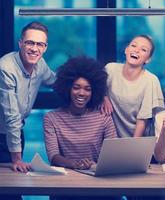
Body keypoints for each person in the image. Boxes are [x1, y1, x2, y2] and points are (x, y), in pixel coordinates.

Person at [0, 21, 55, 176]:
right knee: (3, 188)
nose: (34, 48)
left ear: (45, 47)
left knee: (16, 182)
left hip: (17, 132)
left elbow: (56, 81)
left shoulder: (40, 64)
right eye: (30, 43)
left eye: (40, 44)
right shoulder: (5, 69)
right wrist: (17, 159)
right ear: (20, 44)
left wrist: (93, 93)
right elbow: (12, 117)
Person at [44, 56, 117, 200]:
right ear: (67, 88)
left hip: (98, 182)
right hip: (65, 184)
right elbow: (53, 155)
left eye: (87, 89)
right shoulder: (51, 118)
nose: (81, 93)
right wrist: (73, 164)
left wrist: (93, 165)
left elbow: (113, 152)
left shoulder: (103, 117)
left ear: (94, 92)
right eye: (76, 87)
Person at [102, 34, 165, 138]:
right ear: (126, 50)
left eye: (143, 50)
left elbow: (143, 119)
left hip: (137, 140)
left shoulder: (150, 80)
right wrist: (103, 97)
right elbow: (96, 91)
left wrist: (132, 147)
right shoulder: (110, 69)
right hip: (109, 138)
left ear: (148, 59)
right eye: (133, 46)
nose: (136, 50)